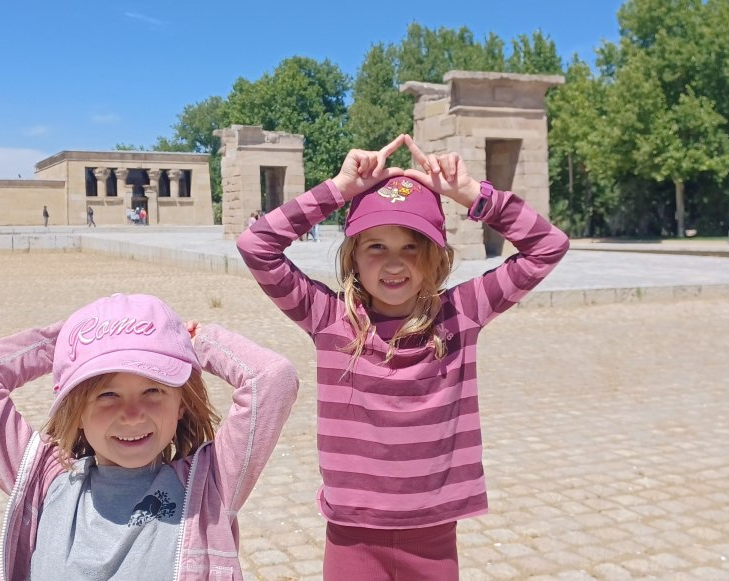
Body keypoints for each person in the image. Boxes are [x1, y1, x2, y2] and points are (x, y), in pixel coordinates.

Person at [237, 135, 569, 580]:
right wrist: (338, 190)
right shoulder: (329, 319)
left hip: (432, 533)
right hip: (352, 533)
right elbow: (256, 245)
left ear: (435, 256)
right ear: (353, 255)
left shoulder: (461, 314)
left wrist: (470, 194)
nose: (394, 263)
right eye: (376, 246)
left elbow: (548, 245)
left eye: (410, 246)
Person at [0, 293, 299, 580]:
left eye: (153, 391)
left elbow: (272, 379)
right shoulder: (45, 480)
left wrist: (200, 342)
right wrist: (69, 342)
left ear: (181, 405)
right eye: (106, 395)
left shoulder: (208, 488)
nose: (132, 414)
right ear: (76, 411)